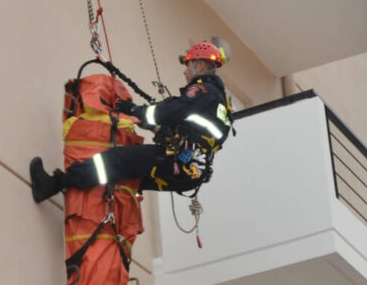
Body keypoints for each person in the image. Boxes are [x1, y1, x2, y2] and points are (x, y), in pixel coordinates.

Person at [30, 41, 234, 202]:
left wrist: (136, 110)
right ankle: (96, 207)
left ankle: (54, 184)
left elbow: (170, 110)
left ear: (199, 65)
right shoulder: (218, 102)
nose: (185, 71)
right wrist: (151, 125)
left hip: (179, 162)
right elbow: (189, 127)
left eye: (187, 65)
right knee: (127, 179)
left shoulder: (202, 91)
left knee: (113, 160)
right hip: (190, 173)